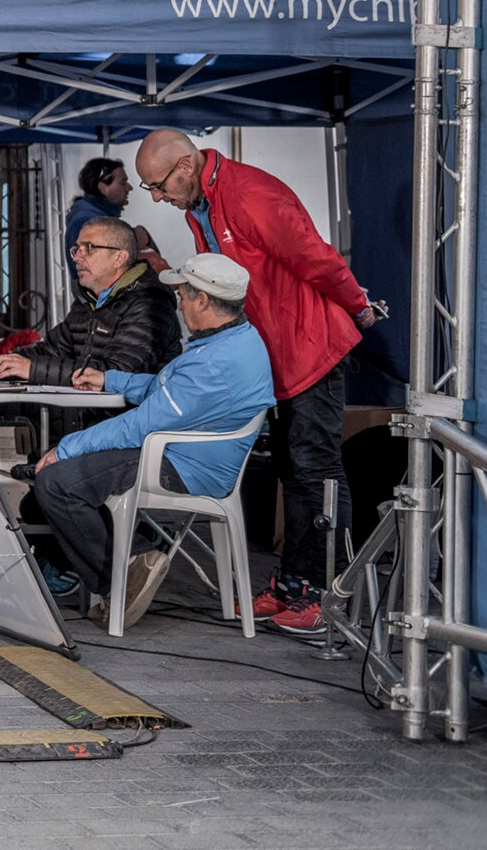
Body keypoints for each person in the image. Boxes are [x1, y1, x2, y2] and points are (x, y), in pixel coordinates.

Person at [135, 128, 378, 632]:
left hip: (311, 347)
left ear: (184, 166)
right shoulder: (200, 203)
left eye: (157, 185)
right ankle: (294, 583)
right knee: (291, 468)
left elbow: (314, 256)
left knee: (316, 468)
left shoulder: (250, 193)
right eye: (149, 190)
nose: (157, 197)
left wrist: (358, 306)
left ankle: (330, 594)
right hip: (274, 354)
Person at [33, 254, 276, 628]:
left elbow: (140, 425)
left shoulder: (213, 361)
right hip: (188, 454)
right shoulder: (236, 340)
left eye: (181, 295)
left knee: (56, 483)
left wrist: (65, 447)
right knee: (69, 477)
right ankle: (134, 559)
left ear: (203, 301)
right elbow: (168, 391)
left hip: (181, 465)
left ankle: (126, 572)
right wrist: (111, 380)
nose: (178, 303)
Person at [0, 216, 181, 388]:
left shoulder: (150, 304)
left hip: (129, 431)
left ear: (119, 257)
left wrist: (32, 370)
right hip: (85, 424)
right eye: (76, 249)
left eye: (89, 248)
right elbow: (50, 350)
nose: (77, 257)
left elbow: (119, 373)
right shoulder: (87, 301)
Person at [64, 157, 169, 276]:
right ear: (103, 188)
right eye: (122, 182)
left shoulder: (94, 216)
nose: (129, 187)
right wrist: (134, 242)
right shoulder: (86, 220)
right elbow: (97, 266)